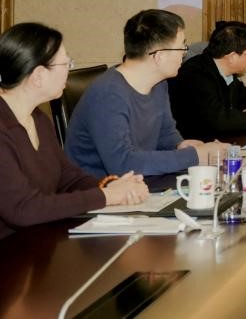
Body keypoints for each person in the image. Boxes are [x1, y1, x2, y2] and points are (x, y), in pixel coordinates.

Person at [0, 23, 147, 239]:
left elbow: (68, 178)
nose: (69, 70)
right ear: (38, 75)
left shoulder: (38, 119)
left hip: (38, 239)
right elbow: (23, 209)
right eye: (65, 63)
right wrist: (106, 196)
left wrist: (112, 185)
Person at [65, 9, 229, 179]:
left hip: (140, 181)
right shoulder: (108, 94)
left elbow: (165, 134)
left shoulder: (158, 84)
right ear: (159, 56)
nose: (184, 53)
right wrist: (195, 156)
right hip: (101, 188)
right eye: (182, 46)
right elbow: (123, 164)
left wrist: (180, 145)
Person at [170, 22, 246, 140]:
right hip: (192, 145)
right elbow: (220, 121)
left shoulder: (227, 74)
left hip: (221, 141)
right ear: (232, 56)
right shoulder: (195, 74)